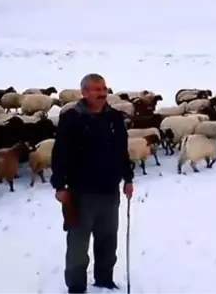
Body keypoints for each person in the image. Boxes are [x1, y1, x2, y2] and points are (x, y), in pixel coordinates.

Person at [51, 73, 134, 294]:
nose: (102, 93)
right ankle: (76, 286)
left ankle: (104, 279)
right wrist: (59, 185)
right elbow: (60, 153)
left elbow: (121, 150)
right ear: (84, 92)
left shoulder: (114, 118)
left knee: (108, 240)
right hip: (81, 192)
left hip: (109, 190)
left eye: (104, 88)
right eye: (96, 89)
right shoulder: (72, 118)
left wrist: (128, 178)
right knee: (78, 244)